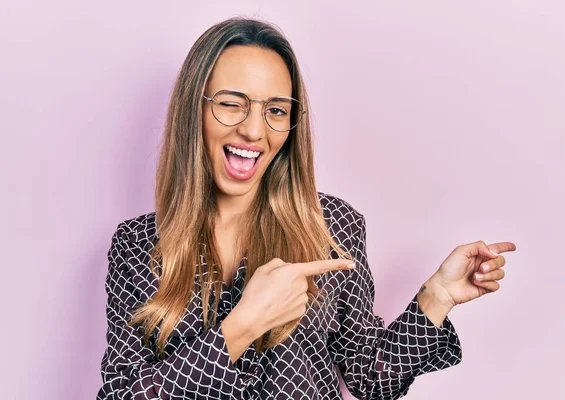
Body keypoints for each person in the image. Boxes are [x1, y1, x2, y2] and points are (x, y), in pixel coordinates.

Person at [96, 17, 516, 399]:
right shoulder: (138, 246)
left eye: (276, 110)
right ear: (195, 108)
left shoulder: (332, 226)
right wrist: (239, 330)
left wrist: (437, 298)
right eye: (230, 103)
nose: (254, 129)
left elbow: (371, 376)